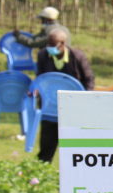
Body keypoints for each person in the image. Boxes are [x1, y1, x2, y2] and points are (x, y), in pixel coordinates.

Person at [34, 28, 94, 163]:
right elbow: (41, 77)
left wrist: (85, 100)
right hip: (50, 105)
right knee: (47, 142)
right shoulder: (43, 55)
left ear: (62, 43)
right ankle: (42, 171)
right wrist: (37, 90)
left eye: (52, 44)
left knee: (73, 144)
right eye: (48, 44)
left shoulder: (77, 57)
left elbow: (89, 79)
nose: (49, 47)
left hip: (73, 107)